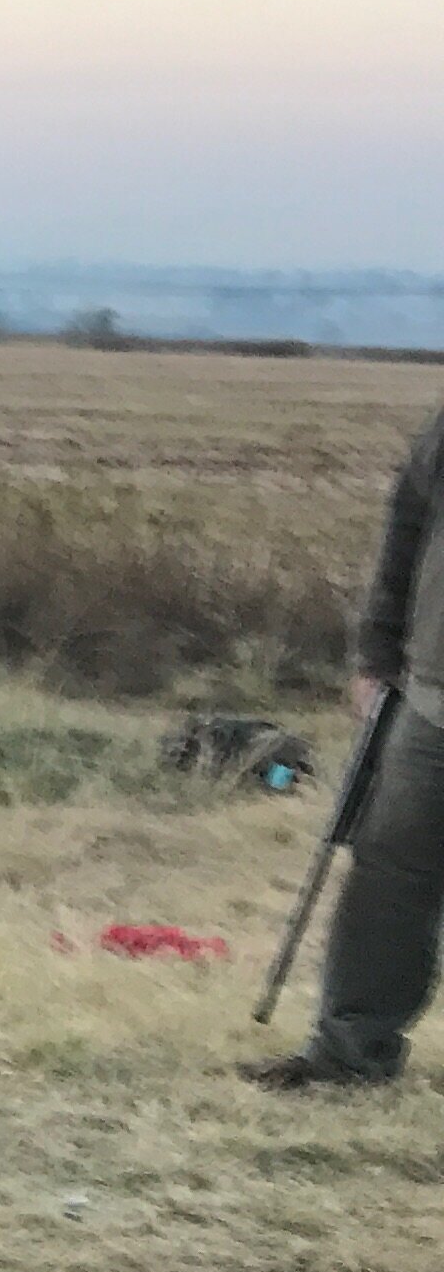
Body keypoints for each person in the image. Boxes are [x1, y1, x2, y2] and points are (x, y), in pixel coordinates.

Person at [249, 398, 444, 1089]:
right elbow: (407, 531)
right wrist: (377, 653)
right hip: (432, 694)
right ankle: (350, 1056)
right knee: (389, 876)